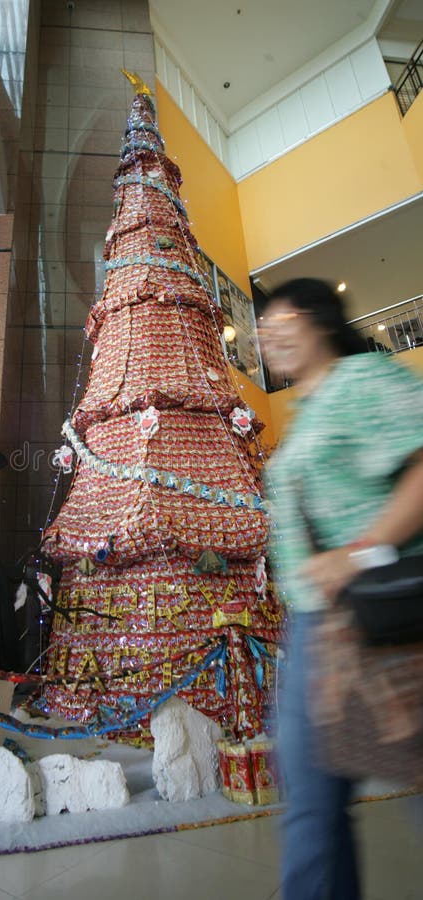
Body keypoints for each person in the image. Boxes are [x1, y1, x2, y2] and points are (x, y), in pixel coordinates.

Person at [260, 278, 423, 900]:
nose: (267, 336)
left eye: (280, 320)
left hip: (384, 616)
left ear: (318, 319)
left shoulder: (363, 381)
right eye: (261, 329)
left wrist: (359, 555)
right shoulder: (306, 414)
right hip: (314, 626)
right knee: (309, 796)